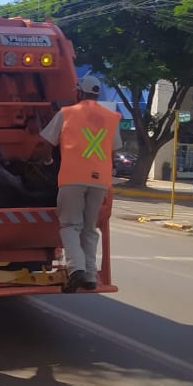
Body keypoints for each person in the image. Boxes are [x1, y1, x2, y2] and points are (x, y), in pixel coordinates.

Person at [36, 75, 122, 292]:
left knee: (70, 225)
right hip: (100, 180)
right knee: (89, 228)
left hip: (73, 178)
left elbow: (46, 142)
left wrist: (47, 160)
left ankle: (76, 269)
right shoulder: (112, 117)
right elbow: (113, 148)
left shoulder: (67, 113)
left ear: (79, 93)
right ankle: (90, 276)